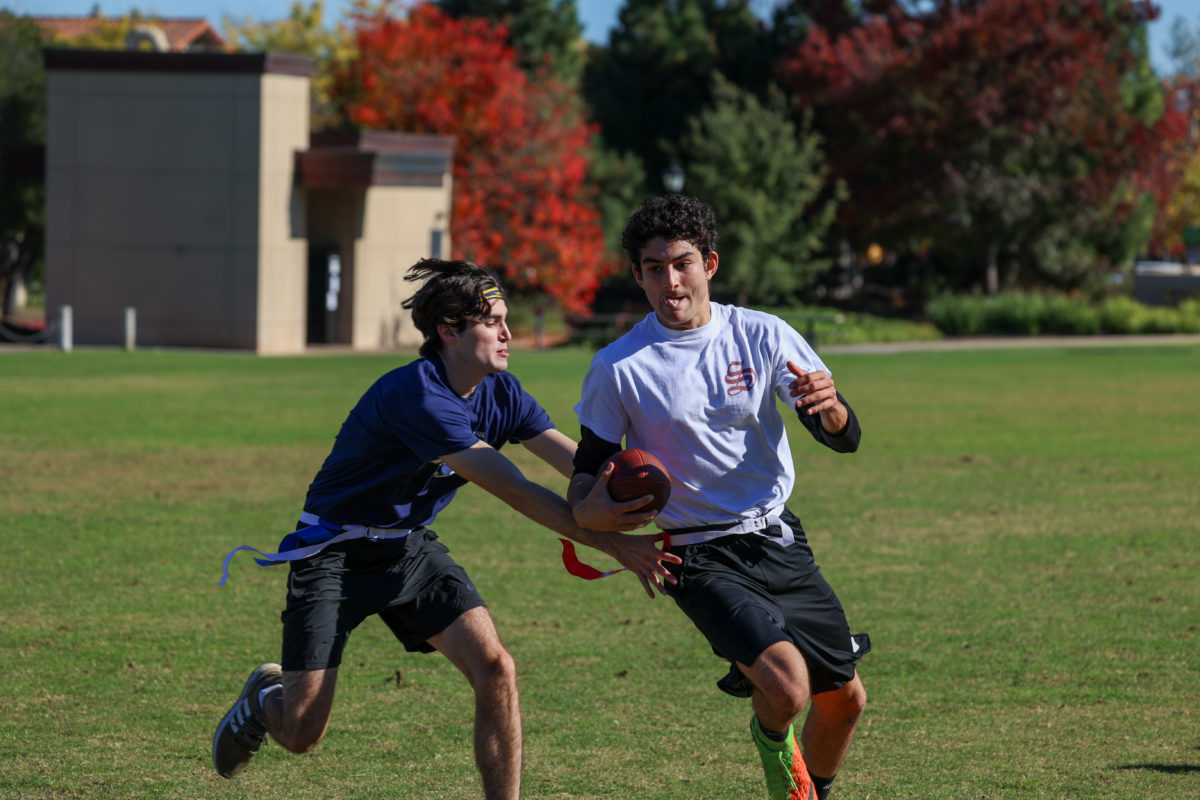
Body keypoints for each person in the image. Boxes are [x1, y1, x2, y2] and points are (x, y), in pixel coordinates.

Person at [212, 258, 679, 799]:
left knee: (496, 668)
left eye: (506, 318)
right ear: (449, 331)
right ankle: (263, 699)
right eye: (492, 322)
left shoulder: (501, 392)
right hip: (333, 555)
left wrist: (642, 490)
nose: (508, 332)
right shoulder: (420, 396)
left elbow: (577, 462)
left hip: (407, 550)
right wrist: (619, 544)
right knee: (301, 733)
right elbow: (518, 491)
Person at [567, 195, 870, 800]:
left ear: (709, 263)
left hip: (776, 537)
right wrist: (593, 514)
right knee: (788, 690)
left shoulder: (760, 333)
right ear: (638, 275)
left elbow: (843, 436)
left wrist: (831, 409)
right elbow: (585, 476)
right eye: (654, 268)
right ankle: (779, 764)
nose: (670, 281)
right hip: (695, 554)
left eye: (682, 264)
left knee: (845, 702)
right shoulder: (619, 365)